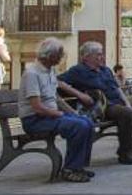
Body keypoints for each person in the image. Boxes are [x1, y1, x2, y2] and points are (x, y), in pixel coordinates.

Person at [58, 41, 132, 165]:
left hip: (118, 102)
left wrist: (127, 103)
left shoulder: (106, 70)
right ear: (86, 57)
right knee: (125, 114)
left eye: (101, 54)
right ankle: (125, 154)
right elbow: (57, 81)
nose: (102, 57)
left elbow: (117, 88)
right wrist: (79, 94)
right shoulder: (78, 71)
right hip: (102, 107)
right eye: (98, 54)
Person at [18, 38, 96, 183]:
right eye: (59, 55)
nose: (61, 58)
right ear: (50, 56)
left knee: (87, 122)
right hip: (35, 120)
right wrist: (59, 114)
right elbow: (37, 107)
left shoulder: (50, 71)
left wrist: (72, 112)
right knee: (78, 126)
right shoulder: (32, 74)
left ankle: (78, 166)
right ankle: (70, 170)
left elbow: (56, 99)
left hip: (49, 116)